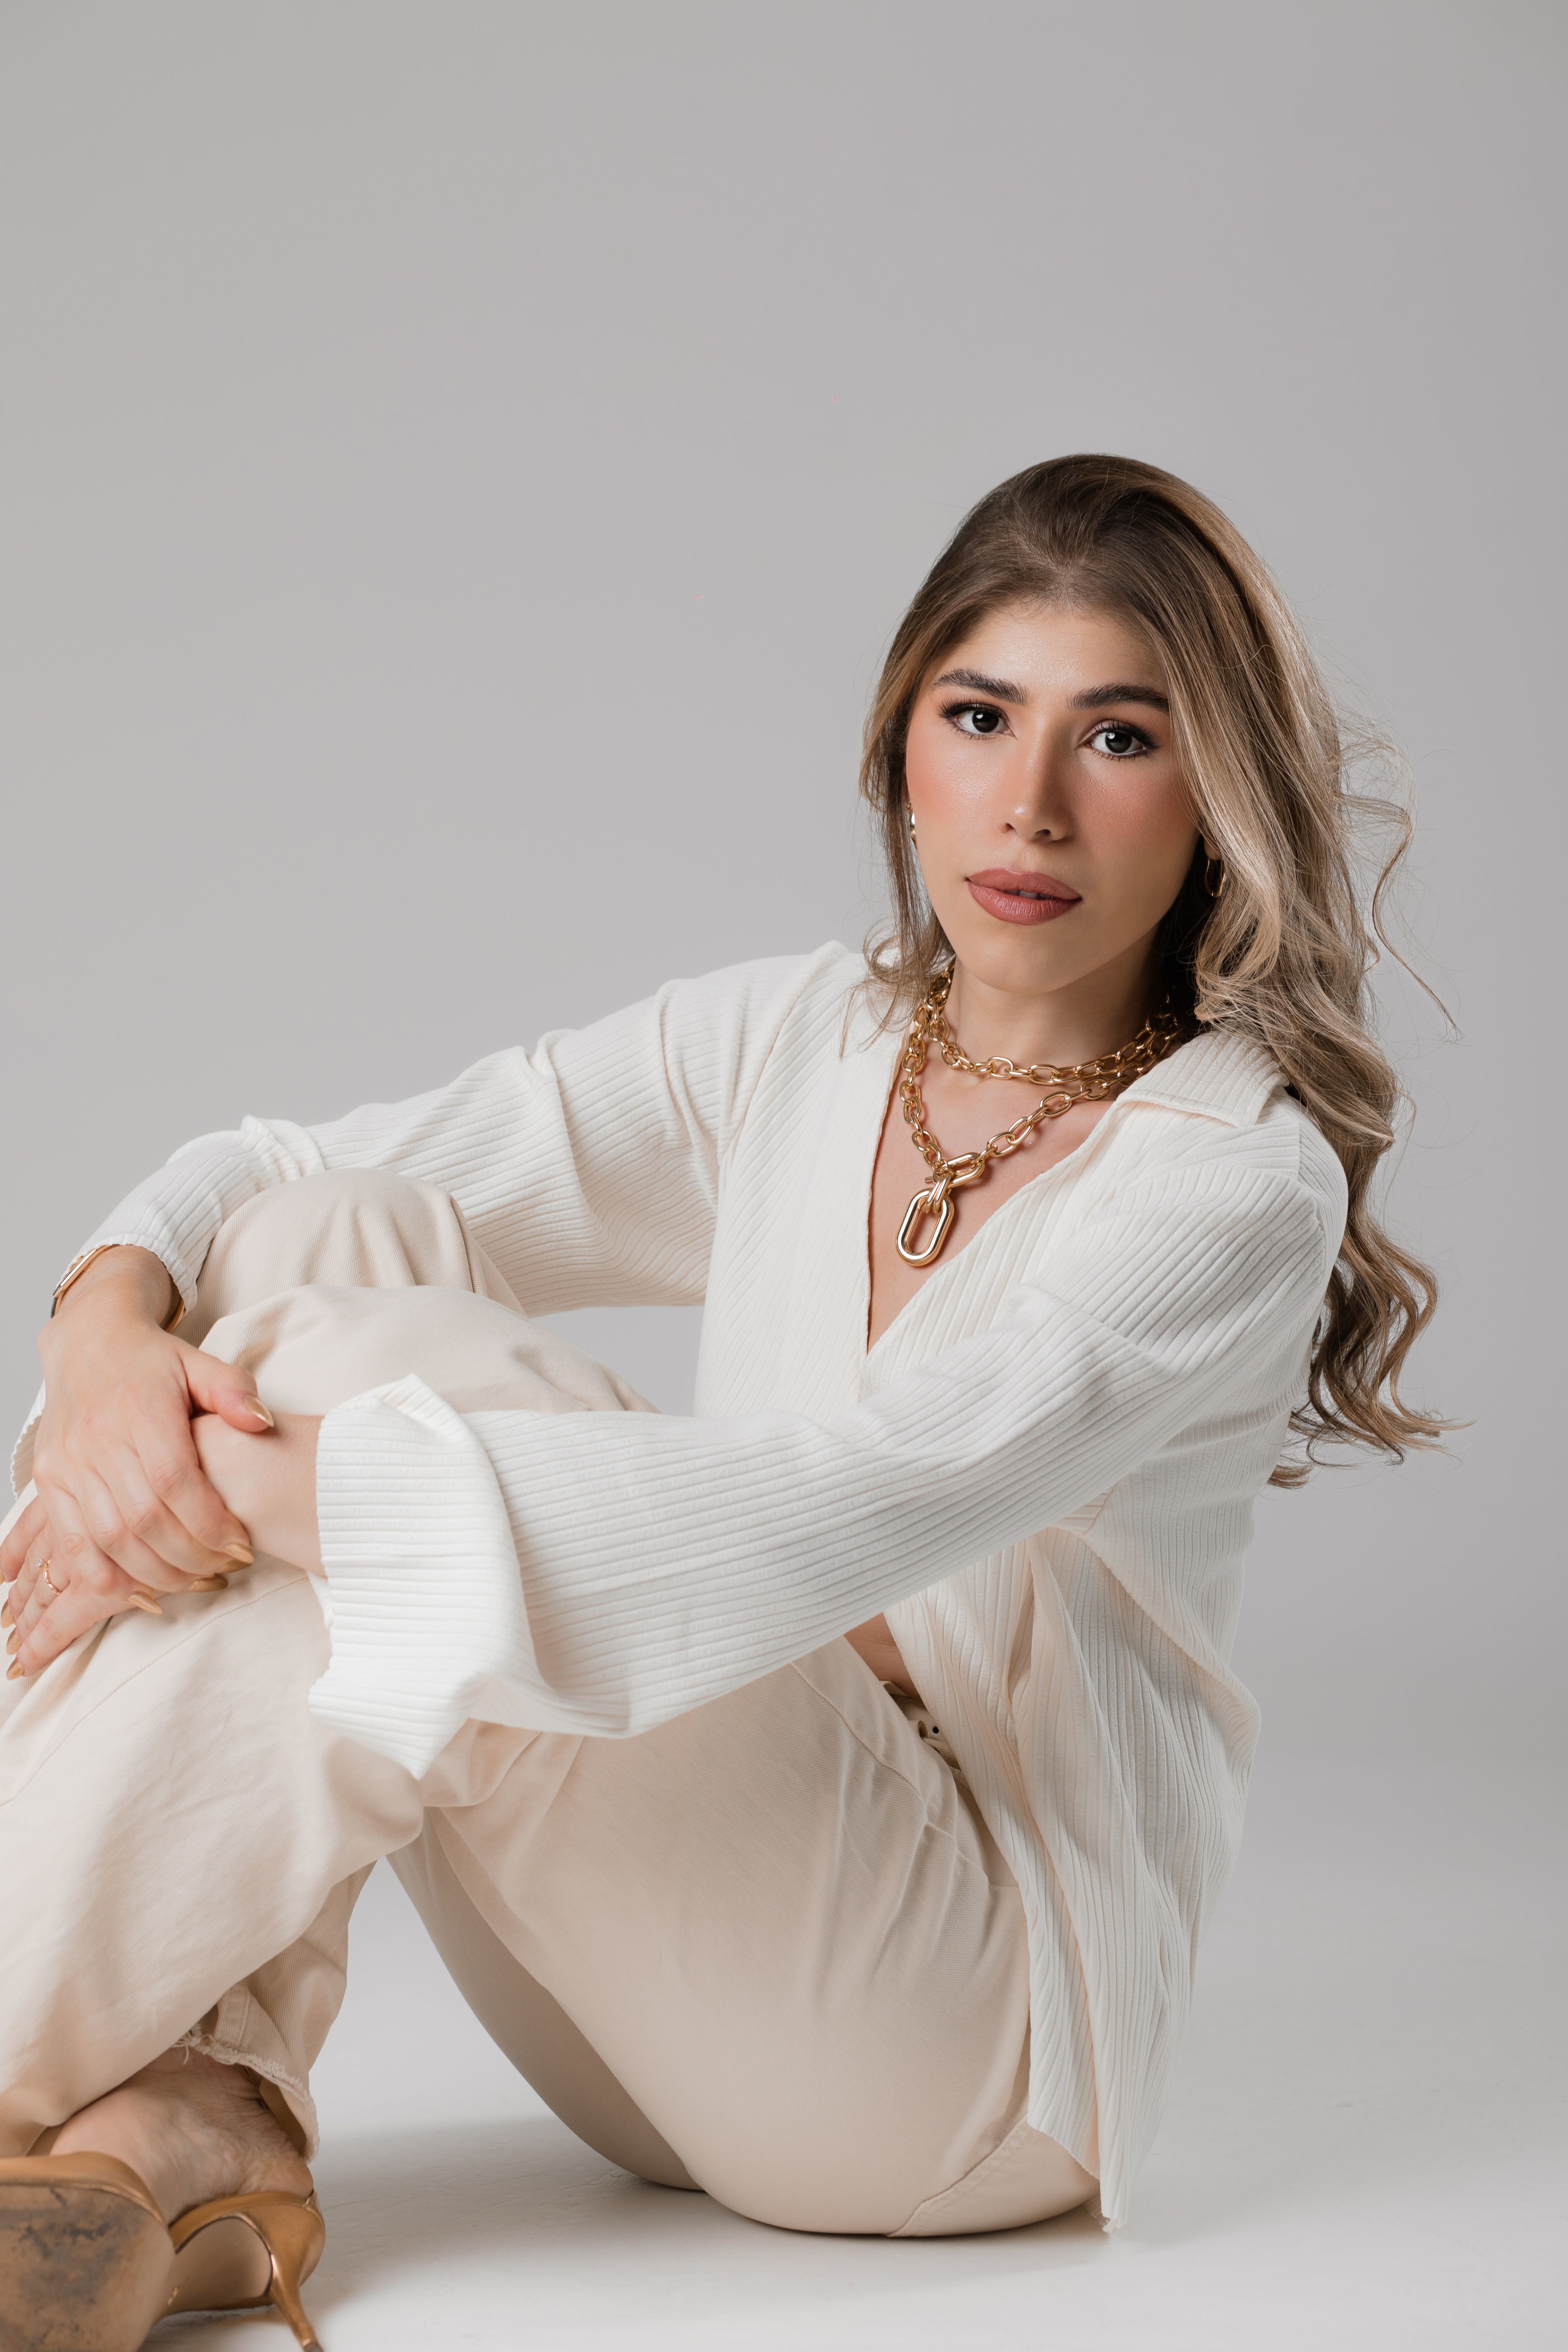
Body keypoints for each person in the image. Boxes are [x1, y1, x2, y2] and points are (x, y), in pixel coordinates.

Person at [0, 455, 1443, 2351]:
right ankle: (202, 2106)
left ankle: (91, 2068)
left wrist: (246, 1482)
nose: (1029, 802)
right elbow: (276, 1181)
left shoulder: (1229, 1183)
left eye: (1118, 737)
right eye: (979, 716)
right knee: (316, 1243)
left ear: (1219, 792)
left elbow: (841, 1503)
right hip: (656, 2017)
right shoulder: (810, 1040)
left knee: (347, 1397)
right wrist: (105, 1349)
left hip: (957, 2065)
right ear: (901, 743)